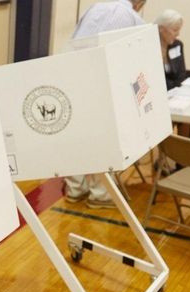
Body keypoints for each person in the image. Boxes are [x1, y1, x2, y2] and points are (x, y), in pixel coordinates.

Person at [66, 0, 147, 208]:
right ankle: (100, 194)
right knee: (104, 141)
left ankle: (75, 189)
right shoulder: (133, 18)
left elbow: (74, 39)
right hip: (104, 84)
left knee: (77, 138)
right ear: (139, 3)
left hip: (73, 77)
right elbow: (137, 58)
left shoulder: (94, 8)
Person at [155, 9, 190, 138]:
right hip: (156, 96)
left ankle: (182, 155)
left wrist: (176, 93)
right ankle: (164, 154)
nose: (178, 34)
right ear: (161, 29)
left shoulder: (177, 45)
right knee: (166, 116)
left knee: (187, 114)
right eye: (175, 30)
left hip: (173, 94)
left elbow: (182, 74)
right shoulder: (149, 47)